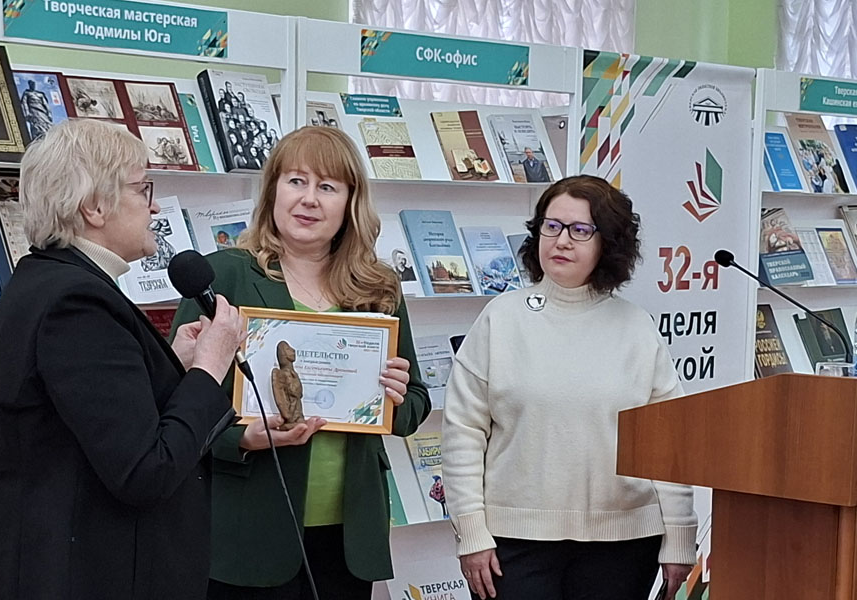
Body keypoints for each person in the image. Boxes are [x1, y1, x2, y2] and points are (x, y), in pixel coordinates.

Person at [0, 118, 245, 600]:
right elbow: (146, 471)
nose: (155, 206)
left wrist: (174, 366)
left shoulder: (46, 281)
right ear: (95, 206)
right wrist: (210, 369)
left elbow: (92, 424)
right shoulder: (76, 303)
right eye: (143, 189)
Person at [171, 126, 431, 599]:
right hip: (245, 530)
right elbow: (175, 400)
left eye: (327, 186)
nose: (309, 199)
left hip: (346, 535)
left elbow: (414, 404)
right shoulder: (224, 275)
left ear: (350, 202)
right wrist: (240, 439)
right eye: (296, 181)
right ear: (273, 190)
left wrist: (394, 398)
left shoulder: (378, 287)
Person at [442, 175, 696, 600]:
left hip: (623, 546)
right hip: (513, 543)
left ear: (608, 243)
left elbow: (668, 442)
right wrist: (470, 532)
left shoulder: (637, 327)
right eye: (552, 226)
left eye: (580, 230)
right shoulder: (500, 319)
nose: (561, 241)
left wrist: (680, 537)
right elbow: (462, 432)